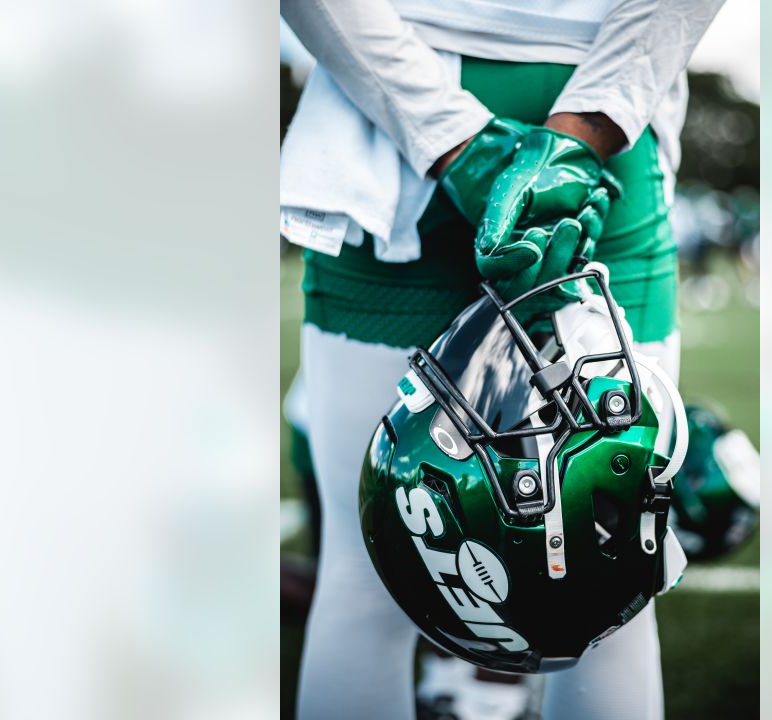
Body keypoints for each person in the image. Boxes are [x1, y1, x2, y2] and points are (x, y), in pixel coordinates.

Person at [279, 1, 725, 717]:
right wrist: (581, 135)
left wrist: (453, 141)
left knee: (365, 589)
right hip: (603, 129)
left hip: (392, 114)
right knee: (612, 580)